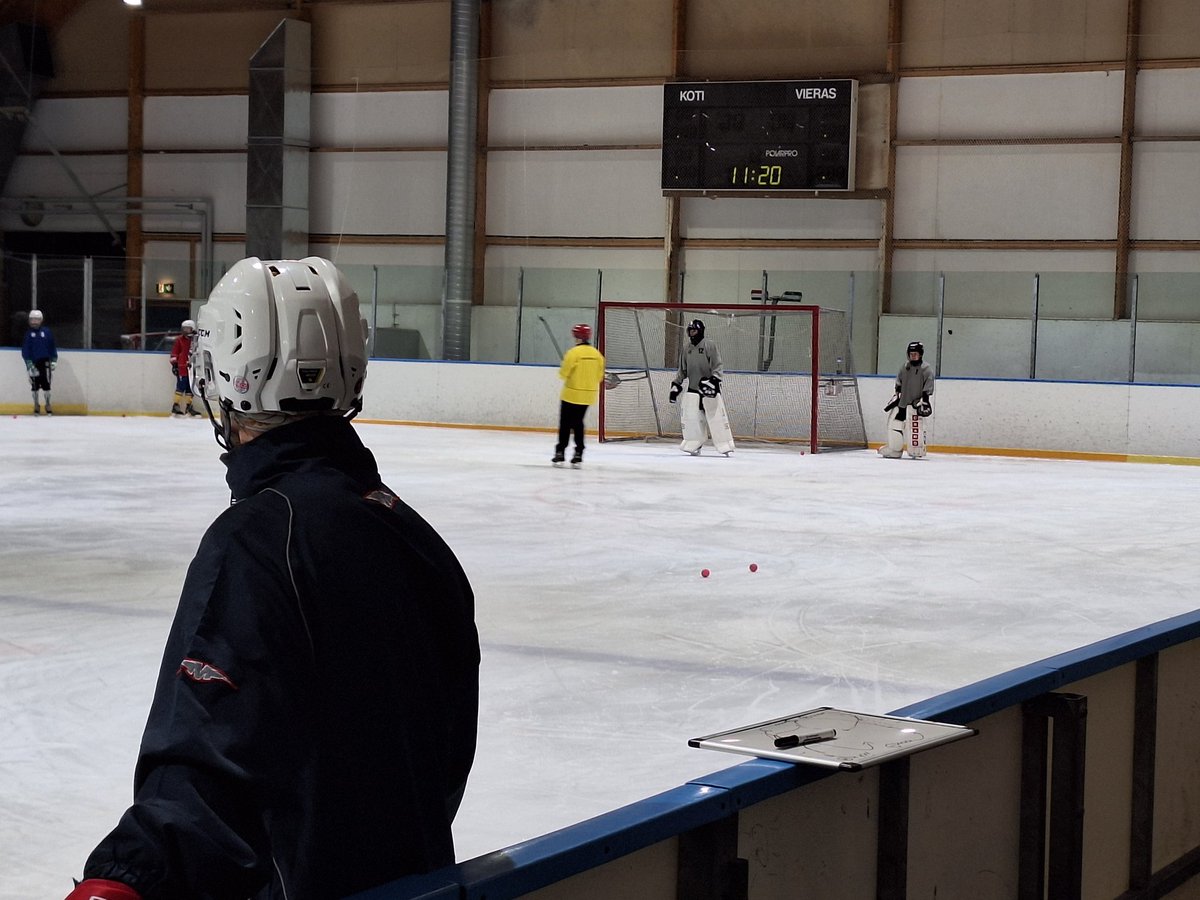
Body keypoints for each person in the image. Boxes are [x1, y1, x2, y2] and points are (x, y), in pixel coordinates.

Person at [65, 257, 480, 900]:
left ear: (225, 377)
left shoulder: (257, 539)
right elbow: (443, 754)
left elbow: (205, 773)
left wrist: (122, 883)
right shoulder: (414, 536)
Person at [669, 318, 734, 456]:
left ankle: (724, 444)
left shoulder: (709, 345)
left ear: (700, 331)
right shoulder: (686, 349)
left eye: (694, 330)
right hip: (693, 390)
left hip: (709, 389)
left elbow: (717, 365)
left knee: (716, 418)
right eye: (690, 331)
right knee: (693, 419)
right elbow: (682, 370)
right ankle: (695, 443)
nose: (692, 333)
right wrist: (676, 384)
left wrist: (715, 380)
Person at [553, 322, 606, 468]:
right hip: (587, 396)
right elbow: (600, 376)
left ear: (576, 337)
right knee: (578, 423)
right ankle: (579, 453)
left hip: (570, 394)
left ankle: (560, 452)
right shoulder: (597, 355)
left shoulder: (573, 353)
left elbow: (563, 374)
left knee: (565, 424)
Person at [880, 339, 935, 459]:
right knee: (894, 424)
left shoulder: (926, 369)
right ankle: (895, 449)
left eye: (915, 354)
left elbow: (929, 384)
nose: (913, 356)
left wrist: (925, 400)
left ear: (920, 354)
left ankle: (917, 449)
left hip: (916, 403)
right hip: (903, 403)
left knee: (915, 426)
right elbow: (899, 381)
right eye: (911, 354)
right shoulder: (905, 367)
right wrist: (897, 394)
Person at [21, 308, 57, 415]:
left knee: (46, 384)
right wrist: (28, 362)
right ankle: (36, 404)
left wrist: (54, 359)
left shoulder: (46, 332)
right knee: (35, 385)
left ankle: (48, 404)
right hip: (33, 363)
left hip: (45, 362)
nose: (34, 322)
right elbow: (25, 349)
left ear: (41, 320)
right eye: (32, 320)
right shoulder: (28, 334)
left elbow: (52, 346)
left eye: (36, 320)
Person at [168, 319, 202, 417]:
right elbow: (174, 353)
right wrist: (174, 365)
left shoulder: (197, 340)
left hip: (193, 368)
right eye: (184, 329)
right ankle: (175, 406)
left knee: (190, 388)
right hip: (182, 368)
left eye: (188, 329)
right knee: (181, 387)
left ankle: (189, 407)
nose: (186, 331)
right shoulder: (179, 340)